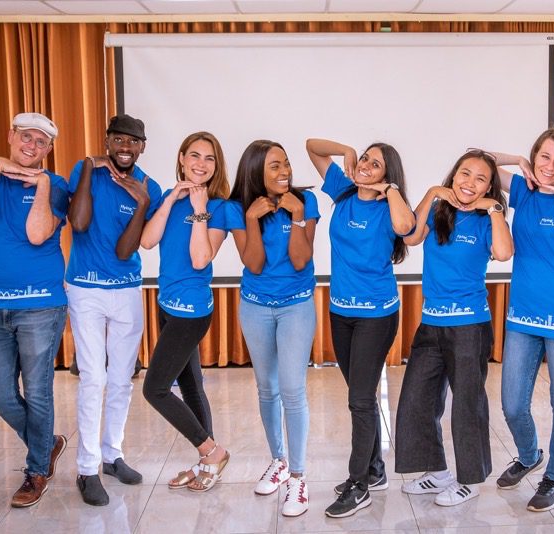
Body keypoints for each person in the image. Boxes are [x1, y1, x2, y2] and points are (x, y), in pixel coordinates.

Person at [0, 112, 69, 507]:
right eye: (26, 137)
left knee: (37, 393)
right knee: (0, 396)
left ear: (48, 150)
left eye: (41, 142)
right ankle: (47, 444)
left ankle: (36, 472)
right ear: (10, 136)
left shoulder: (57, 185)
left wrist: (42, 184)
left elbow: (37, 234)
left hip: (41, 307)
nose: (31, 146)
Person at [394, 150, 513, 507]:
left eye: (480, 178)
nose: (470, 183)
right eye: (465, 173)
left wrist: (495, 209)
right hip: (431, 323)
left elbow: (503, 253)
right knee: (417, 399)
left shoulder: (487, 218)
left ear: (489, 187)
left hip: (469, 326)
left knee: (467, 405)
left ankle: (470, 480)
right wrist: (433, 192)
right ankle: (437, 471)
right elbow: (410, 237)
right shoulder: (438, 211)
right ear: (453, 176)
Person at [305, 138, 415, 518]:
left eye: (375, 163)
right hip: (341, 312)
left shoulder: (390, 206)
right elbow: (312, 147)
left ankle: (359, 485)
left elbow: (406, 227)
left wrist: (391, 190)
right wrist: (348, 152)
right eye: (365, 159)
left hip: (376, 315)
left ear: (388, 174)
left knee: (360, 399)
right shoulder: (343, 190)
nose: (366, 165)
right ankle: (375, 469)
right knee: (360, 394)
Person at [491, 129, 554, 512]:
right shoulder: (523, 189)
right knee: (512, 404)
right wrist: (518, 160)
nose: (550, 166)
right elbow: (477, 158)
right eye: (544, 156)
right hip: (523, 314)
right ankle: (528, 454)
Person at [66, 114, 163, 506]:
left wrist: (142, 204)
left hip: (125, 290)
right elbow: (78, 223)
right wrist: (88, 169)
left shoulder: (150, 187)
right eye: (118, 139)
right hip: (85, 287)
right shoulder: (85, 170)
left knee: (122, 379)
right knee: (94, 378)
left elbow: (126, 252)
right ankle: (87, 468)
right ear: (107, 141)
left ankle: (112, 455)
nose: (125, 147)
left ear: (142, 147)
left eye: (133, 141)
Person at [229, 140, 319, 517]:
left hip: (296, 305)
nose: (285, 172)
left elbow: (300, 260)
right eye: (274, 166)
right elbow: (253, 264)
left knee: (292, 389)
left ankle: (298, 476)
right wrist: (252, 219)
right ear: (255, 172)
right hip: (255, 306)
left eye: (286, 164)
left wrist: (297, 217)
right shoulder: (237, 208)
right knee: (267, 388)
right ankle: (278, 461)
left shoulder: (305, 202)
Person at [140, 131, 232, 493]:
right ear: (181, 158)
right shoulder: (169, 196)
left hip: (191, 313)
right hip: (166, 305)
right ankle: (206, 461)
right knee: (192, 386)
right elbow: (148, 240)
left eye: (209, 158)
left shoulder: (219, 208)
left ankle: (212, 452)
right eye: (194, 155)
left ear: (216, 166)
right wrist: (170, 201)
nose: (201, 164)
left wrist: (198, 209)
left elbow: (199, 259)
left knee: (155, 389)